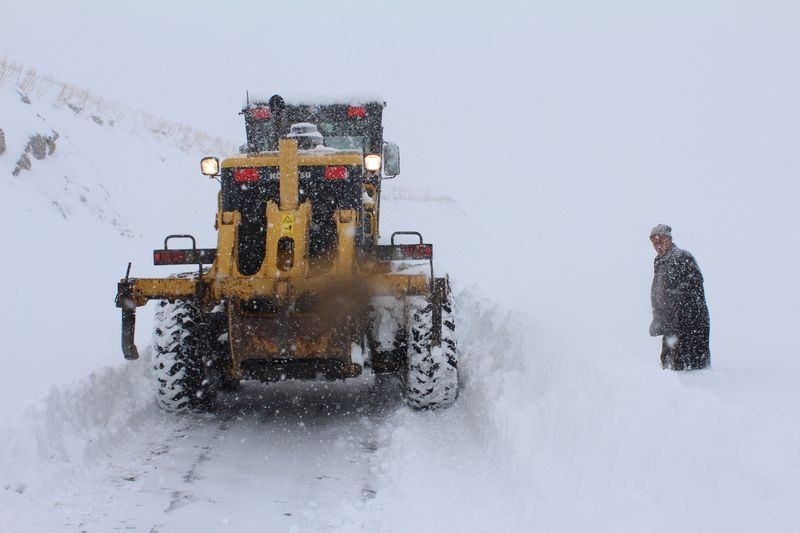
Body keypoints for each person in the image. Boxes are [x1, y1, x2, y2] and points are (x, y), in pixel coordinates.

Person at [649, 224, 710, 370]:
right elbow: (657, 289)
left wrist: (674, 299)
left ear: (669, 240)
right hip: (670, 320)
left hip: (690, 319)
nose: (658, 246)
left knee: (692, 365)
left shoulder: (683, 257)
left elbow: (695, 283)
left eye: (661, 241)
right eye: (655, 243)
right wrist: (658, 315)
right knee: (669, 364)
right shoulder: (658, 261)